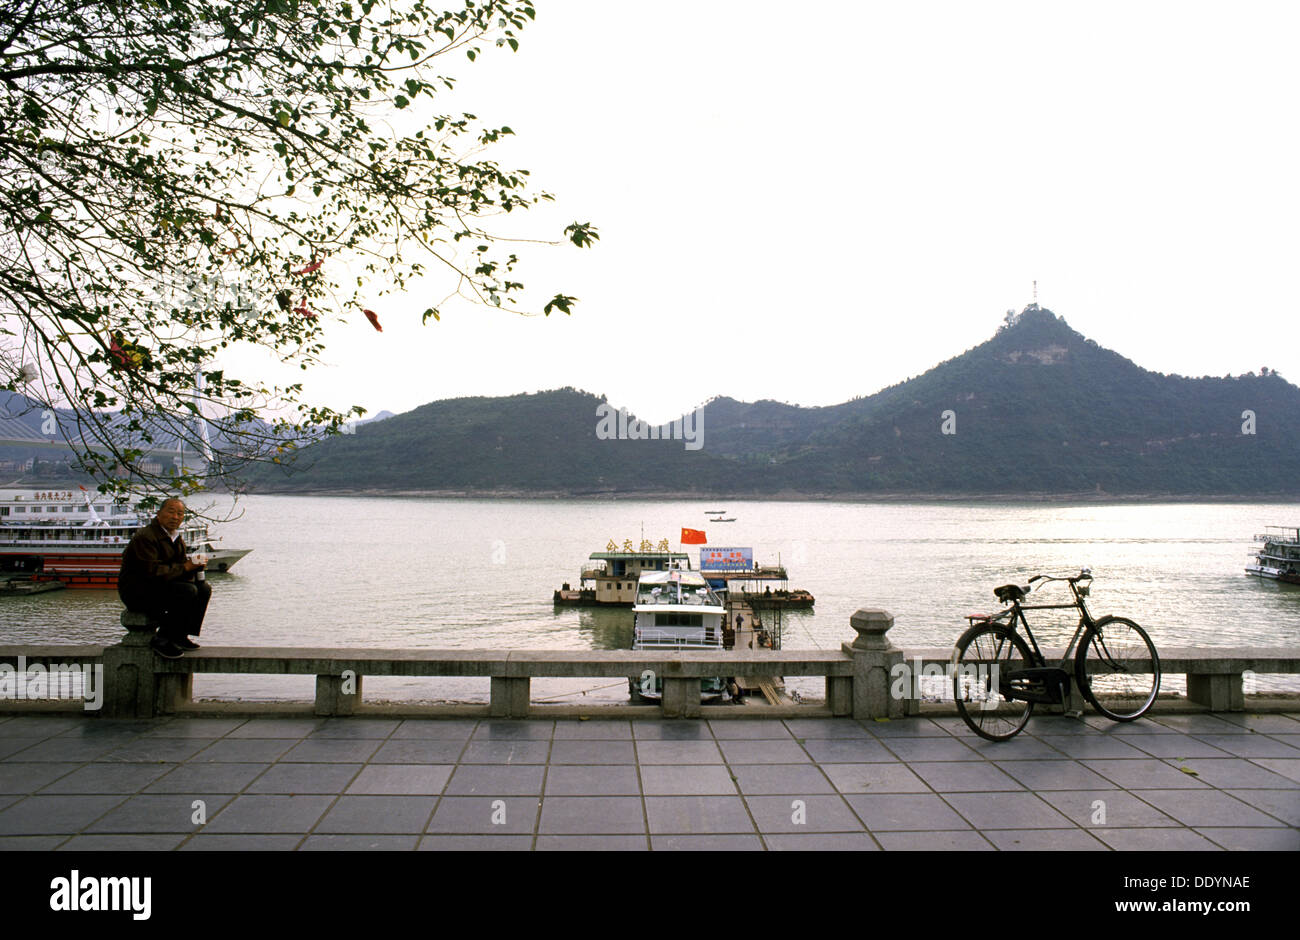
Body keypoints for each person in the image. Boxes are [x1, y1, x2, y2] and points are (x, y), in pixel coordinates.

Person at [118, 498, 210, 659]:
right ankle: (162, 639)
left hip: (160, 586)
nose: (175, 517)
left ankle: (180, 635)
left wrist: (196, 566)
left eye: (180, 514)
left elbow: (180, 568)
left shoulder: (176, 538)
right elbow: (151, 572)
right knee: (187, 590)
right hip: (138, 591)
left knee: (203, 588)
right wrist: (186, 567)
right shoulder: (146, 537)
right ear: (159, 514)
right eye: (171, 512)